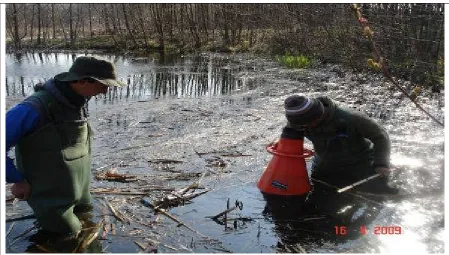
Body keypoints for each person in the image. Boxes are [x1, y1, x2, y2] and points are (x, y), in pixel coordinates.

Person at [6, 56, 126, 236]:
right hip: (51, 197)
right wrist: (17, 180)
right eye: (103, 85)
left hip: (79, 189)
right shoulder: (34, 107)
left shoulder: (78, 101)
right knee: (67, 235)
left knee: (87, 220)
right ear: (83, 81)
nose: (105, 91)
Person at [283, 94, 398, 194]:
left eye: (308, 125)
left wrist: (381, 163)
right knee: (321, 191)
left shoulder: (352, 118)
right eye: (302, 126)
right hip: (324, 164)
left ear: (318, 116)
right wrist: (285, 143)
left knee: (378, 192)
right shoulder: (298, 122)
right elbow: (290, 134)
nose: (305, 128)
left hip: (360, 161)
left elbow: (381, 136)